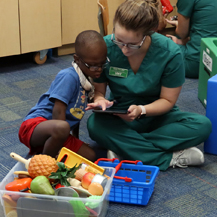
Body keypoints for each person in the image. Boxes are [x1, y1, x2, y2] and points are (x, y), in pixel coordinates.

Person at [86, 0, 212, 171]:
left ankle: (125, 148)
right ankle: (167, 158)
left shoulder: (170, 52)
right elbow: (99, 92)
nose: (124, 49)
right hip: (121, 115)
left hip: (157, 115)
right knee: (94, 124)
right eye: (119, 41)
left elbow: (167, 101)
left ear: (148, 34)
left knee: (202, 126)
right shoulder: (105, 46)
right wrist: (100, 101)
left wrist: (142, 110)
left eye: (132, 45)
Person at [19, 30, 108, 161]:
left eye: (102, 64)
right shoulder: (68, 76)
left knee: (91, 156)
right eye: (93, 66)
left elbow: (76, 114)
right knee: (62, 127)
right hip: (35, 126)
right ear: (77, 59)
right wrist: (62, 142)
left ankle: (44, 151)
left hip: (60, 131)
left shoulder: (87, 81)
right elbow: (58, 110)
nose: (99, 69)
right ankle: (44, 164)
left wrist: (74, 141)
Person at [166, 0, 217, 78]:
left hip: (198, 63)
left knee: (161, 43)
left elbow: (182, 34)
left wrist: (179, 25)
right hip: (214, 58)